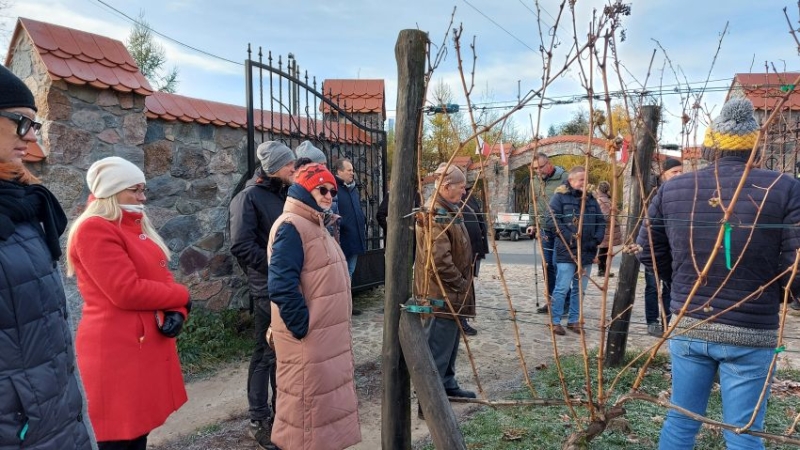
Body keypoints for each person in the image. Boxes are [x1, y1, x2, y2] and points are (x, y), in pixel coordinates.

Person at [637, 98, 800, 449]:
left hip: (690, 321)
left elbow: (649, 250)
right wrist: (784, 295)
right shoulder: (784, 187)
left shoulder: (673, 187)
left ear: (711, 144)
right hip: (752, 326)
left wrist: (680, 280)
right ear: (755, 146)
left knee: (681, 419)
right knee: (743, 430)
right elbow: (795, 261)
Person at [0, 65, 95, 449]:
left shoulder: (24, 204)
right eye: (21, 122)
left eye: (34, 125)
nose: (32, 136)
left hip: (53, 415)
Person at [67, 156, 191, 449]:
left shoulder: (132, 225)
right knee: (117, 437)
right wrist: (183, 297)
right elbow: (126, 291)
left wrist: (177, 309)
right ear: (113, 189)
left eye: (142, 189)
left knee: (137, 435)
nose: (142, 197)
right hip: (116, 352)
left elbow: (162, 277)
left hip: (137, 347)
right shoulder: (95, 229)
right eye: (135, 190)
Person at [267, 163, 361, 450]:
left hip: (324, 342)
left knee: (321, 420)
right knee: (306, 422)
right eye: (322, 189)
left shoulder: (317, 223)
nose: (329, 194)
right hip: (310, 343)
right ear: (305, 189)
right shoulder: (292, 226)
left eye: (332, 190)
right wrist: (302, 328)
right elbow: (282, 285)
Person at [229, 140, 296, 450]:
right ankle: (259, 418)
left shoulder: (284, 194)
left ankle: (282, 414)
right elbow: (241, 246)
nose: (294, 169)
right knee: (265, 353)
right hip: (266, 288)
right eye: (289, 165)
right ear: (273, 169)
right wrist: (277, 263)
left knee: (285, 354)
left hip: (287, 286)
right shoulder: (247, 199)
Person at [414, 163, 476, 403]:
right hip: (440, 292)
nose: (464, 192)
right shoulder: (435, 213)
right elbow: (438, 260)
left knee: (449, 343)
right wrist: (461, 284)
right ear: (446, 186)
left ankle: (447, 386)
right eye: (461, 188)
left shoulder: (449, 207)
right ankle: (429, 402)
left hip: (452, 292)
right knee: (437, 346)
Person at [548, 166, 605, 336]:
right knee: (562, 288)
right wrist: (571, 237)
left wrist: (596, 239)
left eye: (586, 179)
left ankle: (574, 320)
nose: (584, 183)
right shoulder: (559, 197)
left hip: (587, 251)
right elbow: (551, 220)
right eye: (581, 179)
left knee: (580, 289)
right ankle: (555, 321)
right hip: (567, 251)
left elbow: (601, 221)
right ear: (571, 180)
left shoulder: (591, 199)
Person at [642, 157, 681, 337]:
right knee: (652, 286)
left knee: (669, 286)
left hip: (674, 247)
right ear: (663, 174)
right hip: (654, 245)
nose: (678, 175)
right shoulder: (652, 194)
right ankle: (652, 321)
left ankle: (668, 320)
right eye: (674, 172)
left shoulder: (683, 192)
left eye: (681, 171)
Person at [525, 152, 568, 314]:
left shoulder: (564, 177)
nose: (538, 171)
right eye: (534, 168)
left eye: (541, 167)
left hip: (560, 230)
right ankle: (551, 301)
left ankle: (563, 302)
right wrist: (532, 223)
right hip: (544, 229)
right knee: (547, 266)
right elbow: (532, 203)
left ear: (549, 164)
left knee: (560, 266)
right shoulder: (534, 181)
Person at [334, 158, 366, 315]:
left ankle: (347, 306)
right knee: (341, 276)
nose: (352, 172)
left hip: (354, 238)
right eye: (349, 170)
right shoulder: (334, 189)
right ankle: (341, 308)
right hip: (342, 240)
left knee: (349, 273)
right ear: (339, 172)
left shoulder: (352, 189)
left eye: (352, 170)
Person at [460, 186, 488, 336]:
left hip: (474, 250)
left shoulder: (468, 197)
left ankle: (464, 318)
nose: (463, 190)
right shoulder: (449, 201)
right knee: (462, 286)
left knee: (469, 284)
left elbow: (479, 218)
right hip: (462, 252)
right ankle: (460, 320)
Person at [594, 180, 620, 277]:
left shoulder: (601, 200)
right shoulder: (605, 200)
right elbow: (605, 216)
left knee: (604, 250)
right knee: (604, 250)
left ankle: (603, 270)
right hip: (607, 229)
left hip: (606, 229)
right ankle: (602, 270)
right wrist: (614, 214)